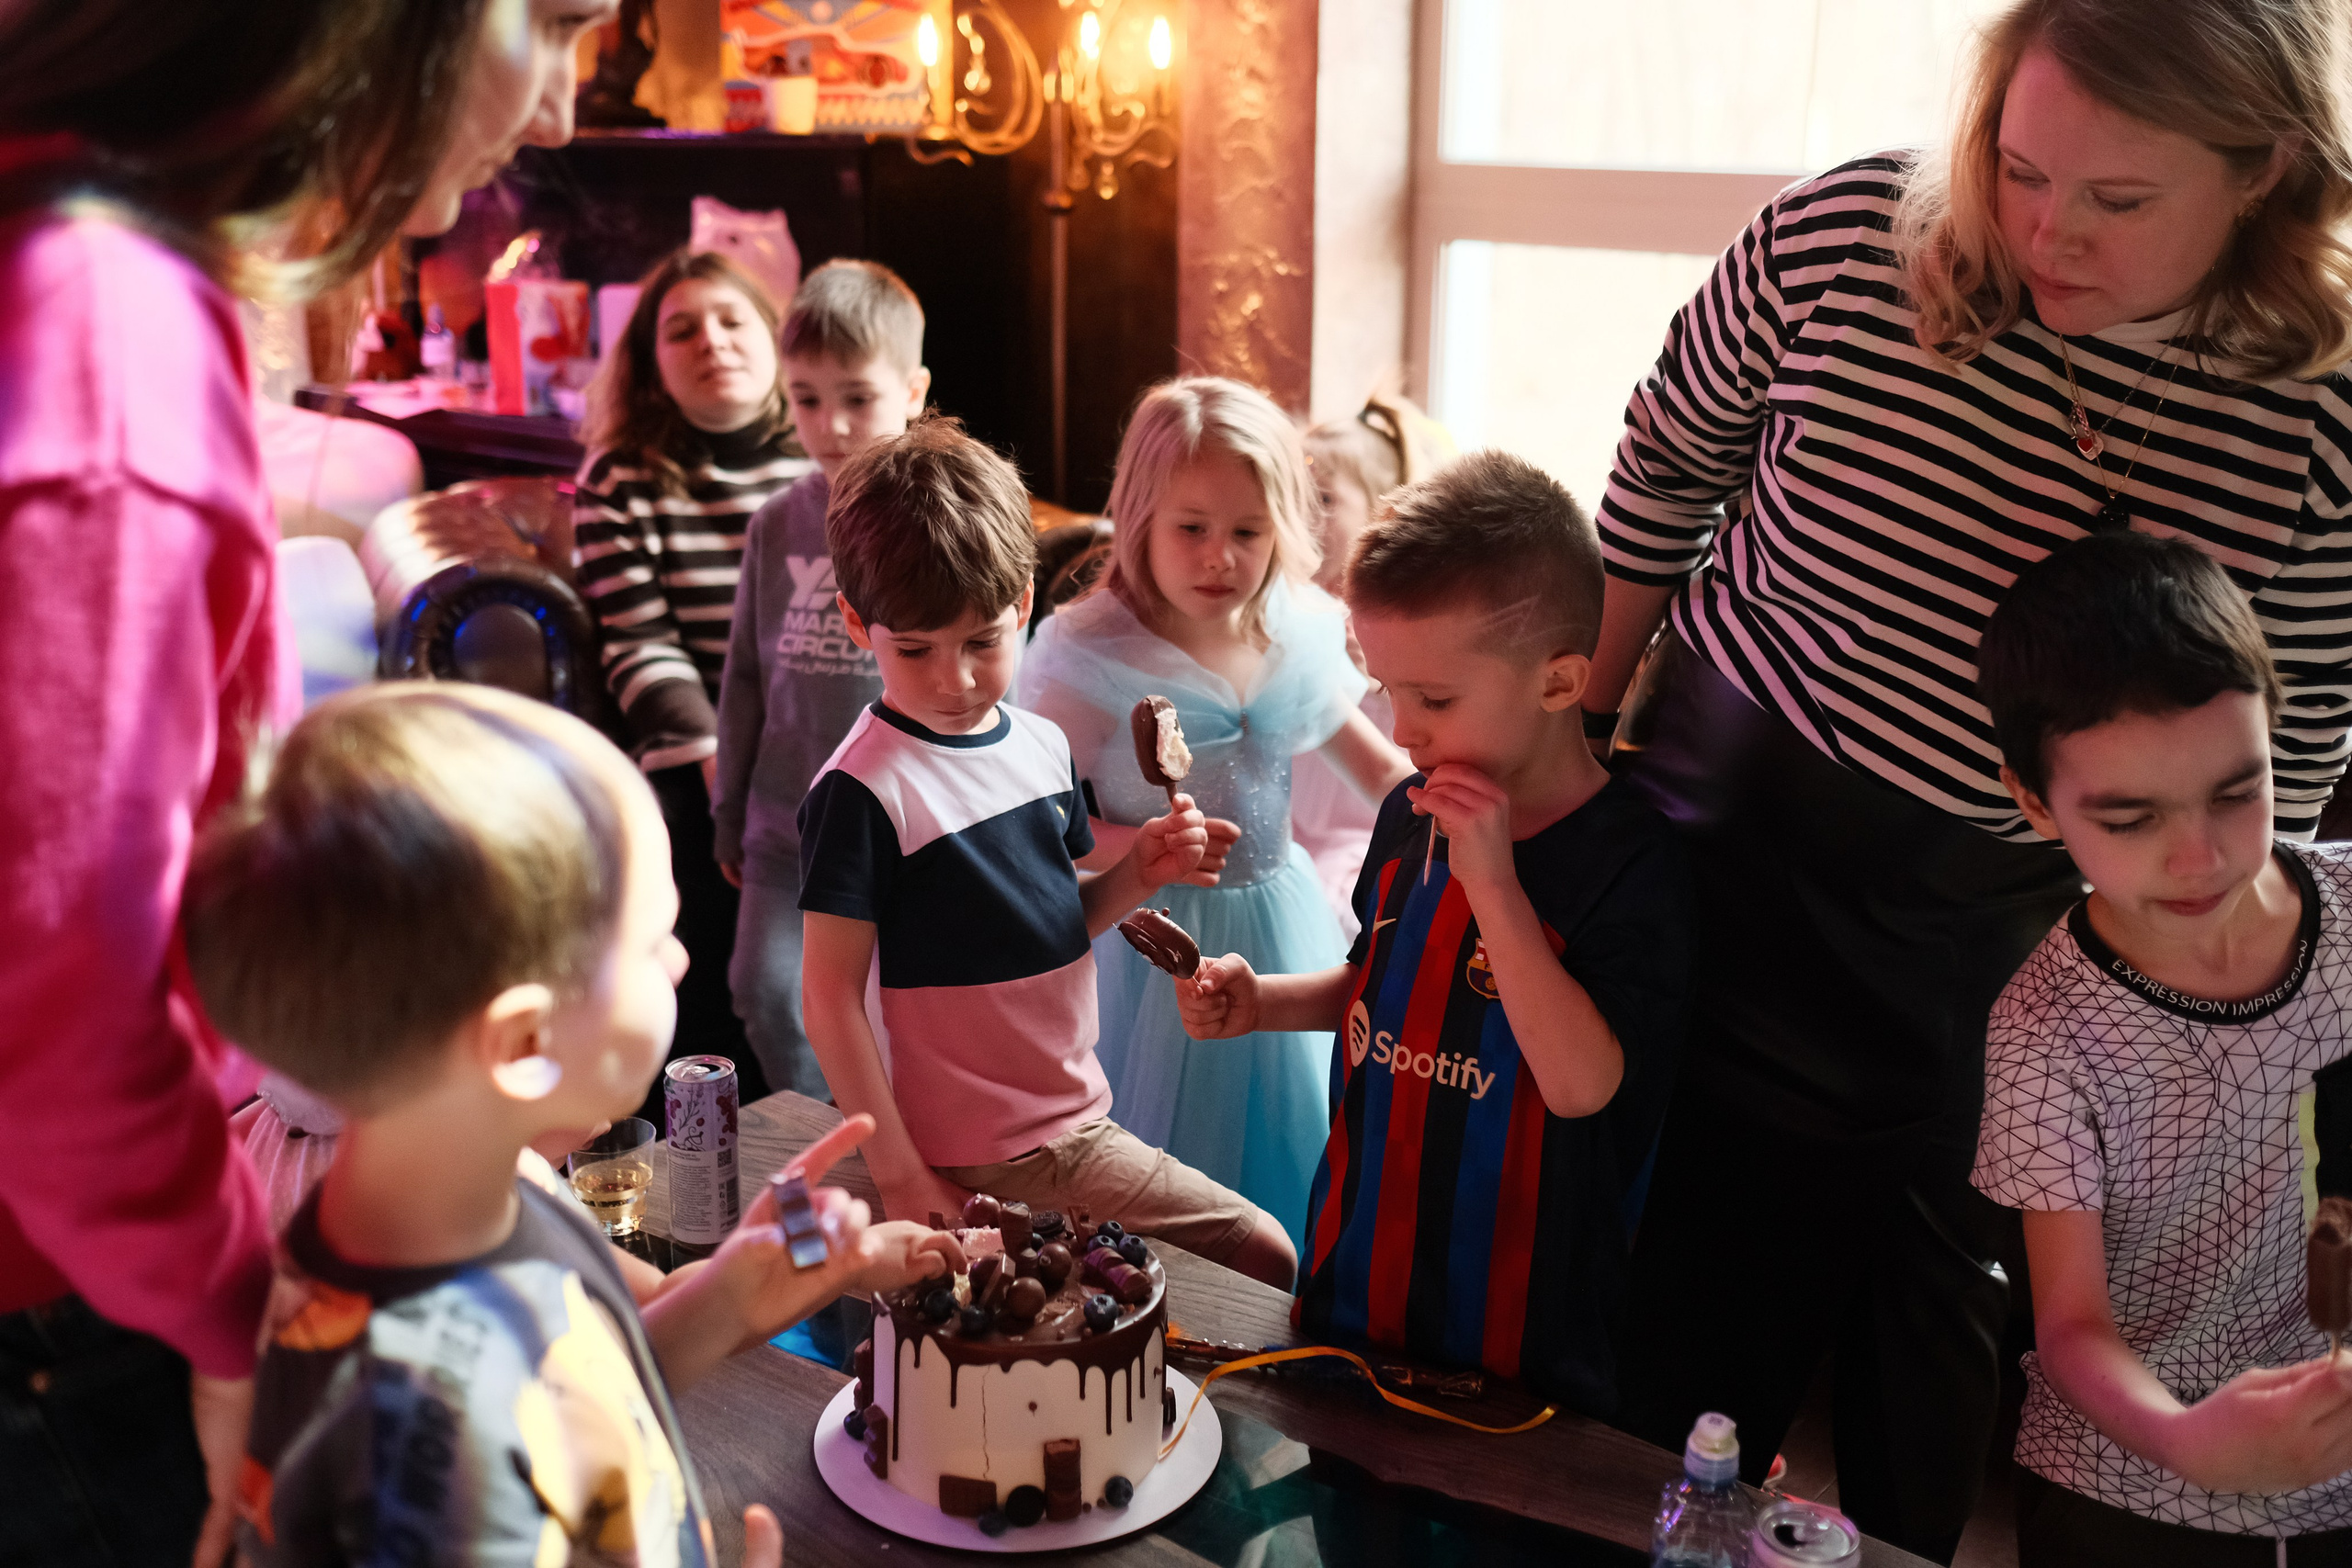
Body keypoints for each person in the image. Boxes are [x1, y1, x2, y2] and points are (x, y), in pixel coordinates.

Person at [1587, 2, 2352, 1555]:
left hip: (2016, 932)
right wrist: (1580, 742)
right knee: (1664, 1335)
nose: (2048, 232)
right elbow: (1663, 474)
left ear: (2265, 169)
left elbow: (2302, 733)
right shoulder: (1848, 235)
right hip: (1726, 842)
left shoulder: (2322, 404)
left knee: (1929, 1353)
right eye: (2020, 168)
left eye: (2118, 197)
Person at [0, 2, 615, 1563]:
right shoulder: (105, 336)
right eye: (557, 24)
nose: (557, 112)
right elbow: (62, 1005)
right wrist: (233, 1319)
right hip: (53, 1310)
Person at [183, 682, 961, 1567]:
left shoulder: (492, 1191)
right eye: (653, 940)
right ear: (524, 1044)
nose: (682, 959)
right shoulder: (418, 1430)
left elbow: (610, 1364)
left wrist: (747, 1284)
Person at [1177, 453, 1689, 1415]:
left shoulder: (1630, 862)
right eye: (1388, 690)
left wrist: (1493, 883)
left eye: (1435, 701)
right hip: (1357, 1282)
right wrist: (1261, 1003)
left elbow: (1582, 1086)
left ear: (1560, 681)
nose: (1404, 731)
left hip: (1521, 1338)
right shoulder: (1409, 813)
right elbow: (1381, 984)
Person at [797, 418, 1298, 1290]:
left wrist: (1139, 871)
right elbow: (828, 996)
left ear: (1023, 603)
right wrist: (901, 1174)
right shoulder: (862, 790)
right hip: (977, 1149)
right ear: (855, 622)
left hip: (1072, 1116)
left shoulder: (1039, 745)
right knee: (1263, 1253)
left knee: (1231, 1268)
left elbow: (1053, 922)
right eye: (914, 649)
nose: (955, 678)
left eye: (983, 641)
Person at [1973, 532, 2352, 1564]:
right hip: (2130, 1480)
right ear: (2034, 801)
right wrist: (2190, 1441)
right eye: (2131, 817)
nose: (2199, 856)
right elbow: (2072, 1327)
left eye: (2236, 791)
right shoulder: (2044, 1029)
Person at [1019, 378, 1408, 1251]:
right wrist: (1139, 845)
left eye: (1248, 533)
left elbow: (1382, 772)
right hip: (1148, 943)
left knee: (1291, 1140)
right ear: (1140, 518)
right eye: (1191, 528)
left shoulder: (1292, 632)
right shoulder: (1088, 653)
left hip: (1278, 932)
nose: (1219, 558)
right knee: (1152, 1171)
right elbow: (1033, 825)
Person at [575, 248, 810, 1110]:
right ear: (651, 365)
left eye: (731, 320)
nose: (711, 341)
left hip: (823, 723)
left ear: (775, 339)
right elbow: (640, 642)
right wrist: (720, 756)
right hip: (698, 739)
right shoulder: (621, 478)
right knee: (694, 848)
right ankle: (707, 1110)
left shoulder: (826, 458)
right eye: (682, 331)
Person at [713, 259, 929, 1100]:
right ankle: (820, 1134)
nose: (830, 425)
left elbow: (994, 676)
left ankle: (880, 1137)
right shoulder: (777, 524)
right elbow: (745, 677)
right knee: (764, 988)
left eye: (857, 398)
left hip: (905, 824)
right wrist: (731, 808)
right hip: (786, 824)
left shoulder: (943, 523)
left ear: (912, 391)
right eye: (805, 399)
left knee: (894, 1007)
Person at [1292, 393, 1452, 938]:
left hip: (1365, 832)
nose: (1302, 517)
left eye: (1323, 499)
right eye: (1292, 497)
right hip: (1284, 825)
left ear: (1381, 512)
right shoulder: (1284, 609)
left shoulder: (1403, 623)